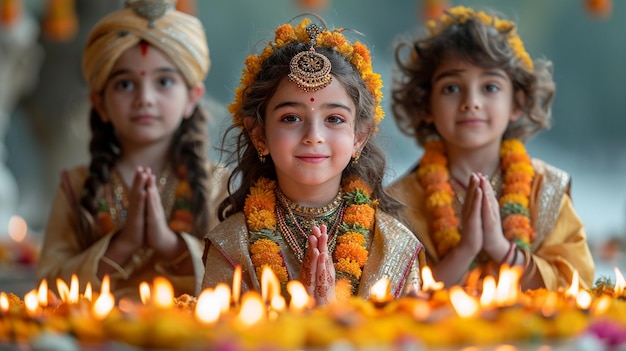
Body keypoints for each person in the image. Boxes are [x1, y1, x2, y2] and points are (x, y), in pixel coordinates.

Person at [202, 16, 425, 305]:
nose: (313, 136)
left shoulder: (393, 244)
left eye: (334, 119)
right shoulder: (232, 244)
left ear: (359, 136)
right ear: (259, 134)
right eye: (291, 118)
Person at [387, 6, 595, 291]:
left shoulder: (546, 189)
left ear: (517, 103)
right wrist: (466, 249)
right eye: (451, 88)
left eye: (490, 87)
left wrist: (502, 249)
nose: (471, 101)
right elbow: (399, 295)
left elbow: (575, 284)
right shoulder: (401, 202)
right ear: (425, 105)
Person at [36, 0, 229, 301]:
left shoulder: (218, 183)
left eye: (164, 81)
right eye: (125, 85)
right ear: (100, 103)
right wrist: (123, 244)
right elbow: (48, 287)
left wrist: (168, 244)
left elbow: (237, 280)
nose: (145, 98)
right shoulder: (75, 186)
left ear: (193, 97)